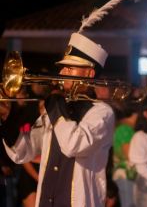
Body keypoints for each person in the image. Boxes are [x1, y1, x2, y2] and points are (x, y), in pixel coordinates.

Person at [2, 31, 115, 206]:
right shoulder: (57, 110)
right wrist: (7, 118)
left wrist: (55, 105)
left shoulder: (102, 112)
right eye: (63, 67)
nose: (61, 72)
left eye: (69, 68)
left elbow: (73, 145)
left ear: (88, 74)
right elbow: (23, 152)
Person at [112, 102, 138, 207]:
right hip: (125, 174)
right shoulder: (125, 129)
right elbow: (129, 154)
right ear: (135, 114)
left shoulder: (126, 128)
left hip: (128, 175)